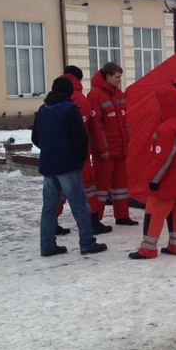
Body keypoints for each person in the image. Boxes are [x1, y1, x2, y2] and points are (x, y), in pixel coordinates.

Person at [31, 76, 108, 257]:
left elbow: (35, 138)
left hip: (48, 166)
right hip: (68, 165)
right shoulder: (70, 109)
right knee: (80, 206)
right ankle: (87, 243)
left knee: (49, 207)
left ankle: (47, 245)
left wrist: (49, 150)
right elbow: (81, 138)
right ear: (69, 92)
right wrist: (79, 158)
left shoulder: (42, 109)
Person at [129, 86, 176, 259]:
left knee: (154, 213)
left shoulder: (167, 128)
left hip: (167, 181)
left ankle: (148, 248)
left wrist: (154, 179)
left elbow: (162, 158)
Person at [54, 65, 113, 235]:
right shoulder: (81, 100)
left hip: (57, 154)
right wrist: (101, 149)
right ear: (79, 79)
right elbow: (92, 128)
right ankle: (92, 222)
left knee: (59, 189)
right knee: (88, 188)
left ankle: (51, 223)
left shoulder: (54, 98)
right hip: (79, 154)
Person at [88, 62, 139, 228]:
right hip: (106, 151)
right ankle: (95, 218)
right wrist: (102, 149)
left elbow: (123, 121)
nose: (119, 80)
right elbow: (95, 126)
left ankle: (122, 216)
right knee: (101, 186)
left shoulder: (118, 94)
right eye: (117, 77)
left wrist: (126, 141)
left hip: (120, 147)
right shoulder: (95, 95)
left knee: (121, 186)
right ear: (107, 76)